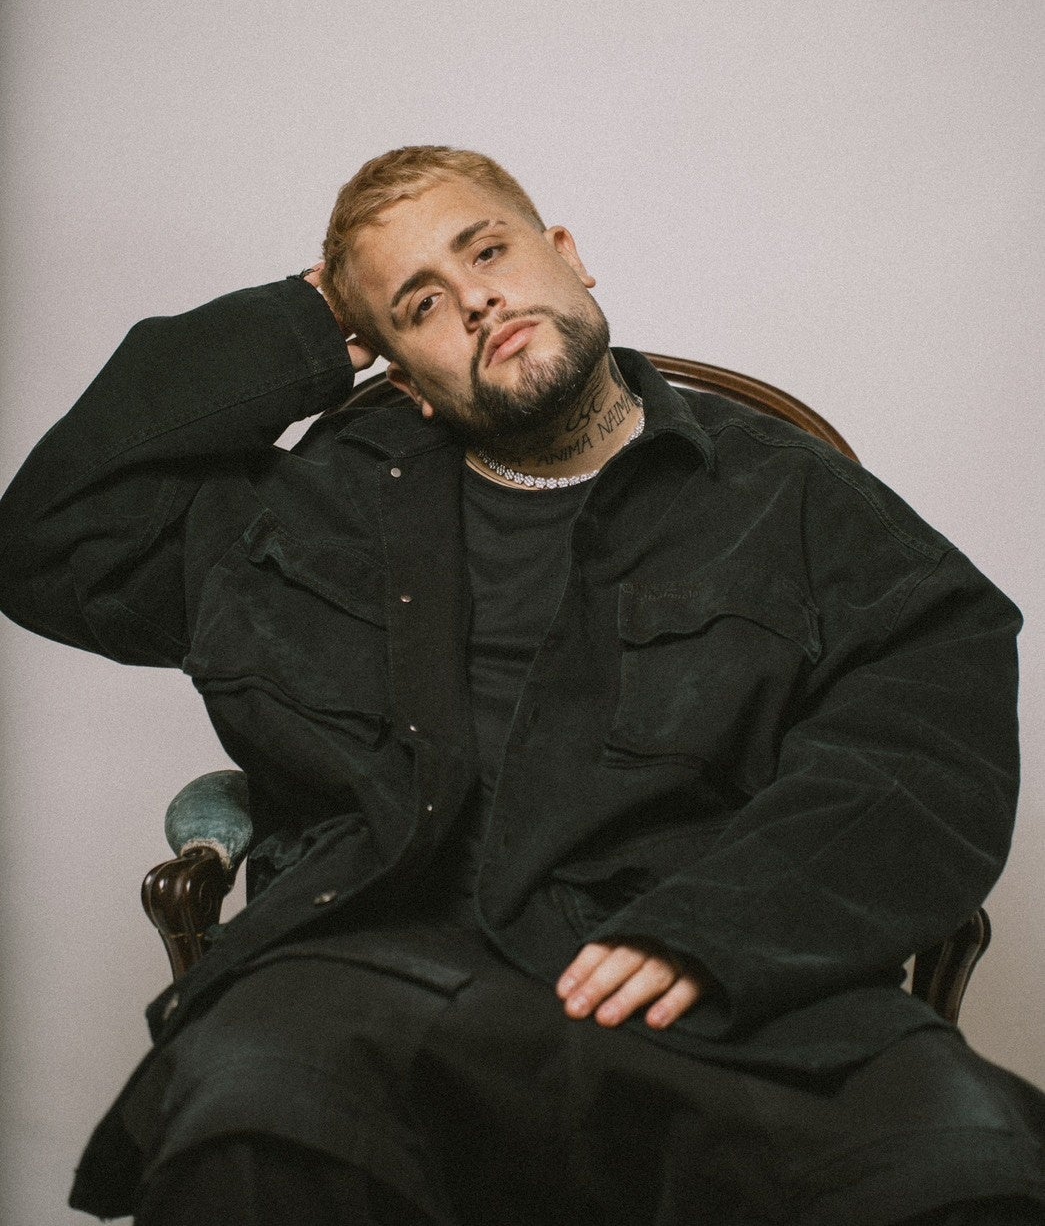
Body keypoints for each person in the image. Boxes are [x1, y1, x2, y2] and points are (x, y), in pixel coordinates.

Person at [1, 146, 1043, 1225]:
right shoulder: (311, 509)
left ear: (568, 255)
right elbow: (50, 542)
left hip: (720, 978)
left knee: (963, 1156)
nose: (475, 299)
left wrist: (726, 928)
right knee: (255, 1114)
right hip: (385, 972)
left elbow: (921, 736)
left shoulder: (788, 496)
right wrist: (308, 320)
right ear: (402, 376)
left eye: (487, 251)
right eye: (419, 304)